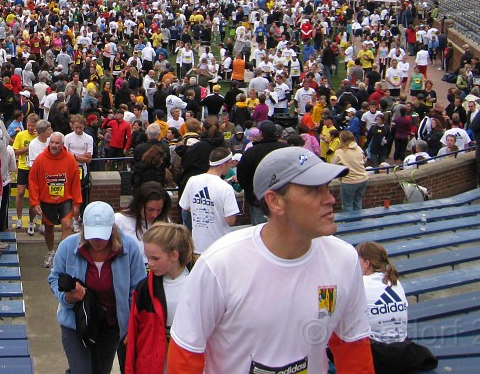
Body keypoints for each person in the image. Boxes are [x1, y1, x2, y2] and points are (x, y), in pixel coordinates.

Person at [168, 146, 372, 374]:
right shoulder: (220, 264)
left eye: (327, 188)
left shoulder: (344, 258)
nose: (330, 199)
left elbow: (353, 346)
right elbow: (186, 354)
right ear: (275, 201)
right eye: (315, 190)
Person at [48, 201, 147, 374]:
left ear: (113, 229)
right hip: (76, 323)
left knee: (101, 370)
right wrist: (68, 297)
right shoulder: (67, 247)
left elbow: (137, 289)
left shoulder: (129, 248)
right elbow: (54, 278)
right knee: (82, 370)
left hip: (111, 324)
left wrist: (133, 326)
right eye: (93, 235)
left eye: (103, 235)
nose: (98, 241)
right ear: (83, 227)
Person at [357, 241, 437, 374]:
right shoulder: (394, 281)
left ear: (367, 263)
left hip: (377, 356)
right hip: (402, 352)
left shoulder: (362, 284)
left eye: (357, 259)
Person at [124, 222, 194, 374]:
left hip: (185, 362)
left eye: (155, 258)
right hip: (152, 365)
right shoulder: (144, 288)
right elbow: (134, 335)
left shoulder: (198, 284)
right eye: (148, 258)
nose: (150, 264)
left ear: (175, 255)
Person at [29, 130, 83, 269]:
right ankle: (51, 251)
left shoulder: (70, 159)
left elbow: (75, 182)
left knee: (67, 225)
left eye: (57, 143)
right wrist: (34, 202)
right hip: (46, 200)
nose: (53, 145)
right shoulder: (41, 159)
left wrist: (77, 203)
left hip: (65, 199)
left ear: (62, 145)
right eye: (52, 142)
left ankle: (62, 255)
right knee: (48, 228)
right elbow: (33, 181)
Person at [178, 147, 240, 255]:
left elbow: (185, 207)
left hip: (198, 245)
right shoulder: (225, 187)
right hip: (219, 246)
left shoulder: (192, 180)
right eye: (229, 163)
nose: (230, 166)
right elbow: (230, 220)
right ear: (222, 164)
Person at [114, 181, 172, 264]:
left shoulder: (166, 222)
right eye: (150, 210)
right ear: (139, 204)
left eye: (159, 210)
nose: (155, 215)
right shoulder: (119, 220)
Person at [332, 130, 369, 212]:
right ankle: (358, 222)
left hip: (349, 181)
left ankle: (350, 224)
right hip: (363, 178)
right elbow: (364, 160)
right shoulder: (358, 148)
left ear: (342, 139)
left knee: (347, 205)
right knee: (358, 203)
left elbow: (333, 166)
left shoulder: (339, 152)